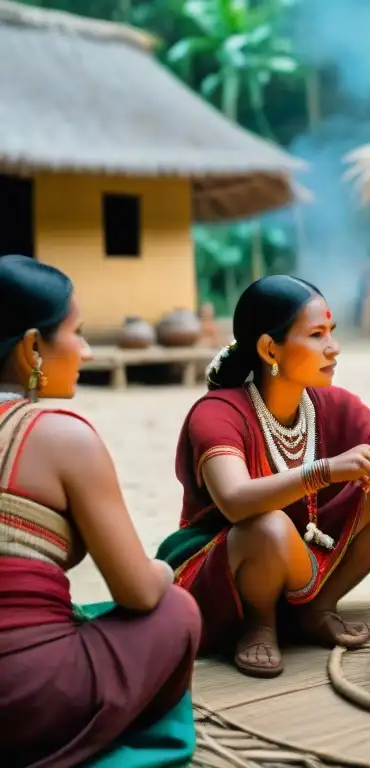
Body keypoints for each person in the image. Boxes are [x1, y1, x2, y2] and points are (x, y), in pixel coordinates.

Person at [156, 275, 370, 679]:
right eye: (317, 335)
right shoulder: (217, 412)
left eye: (331, 332)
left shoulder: (330, 403)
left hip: (299, 557)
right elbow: (234, 499)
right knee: (268, 527)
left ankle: (317, 610)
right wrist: (326, 471)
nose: (333, 347)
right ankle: (259, 624)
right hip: (217, 569)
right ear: (269, 349)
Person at [0, 255, 201, 767]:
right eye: (78, 332)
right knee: (176, 611)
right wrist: (162, 568)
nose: (87, 351)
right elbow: (135, 592)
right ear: (32, 348)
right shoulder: (61, 436)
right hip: (22, 700)